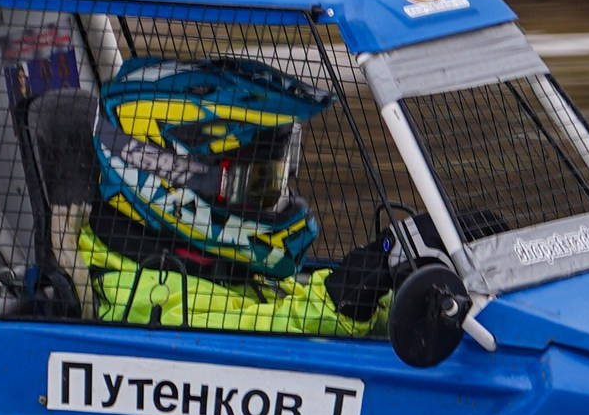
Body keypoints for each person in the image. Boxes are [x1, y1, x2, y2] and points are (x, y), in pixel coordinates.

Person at [74, 56, 392, 336]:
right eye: (258, 183)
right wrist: (349, 295)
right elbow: (261, 332)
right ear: (167, 179)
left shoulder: (203, 262)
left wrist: (392, 277)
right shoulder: (145, 300)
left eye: (275, 180)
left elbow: (286, 309)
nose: (274, 196)